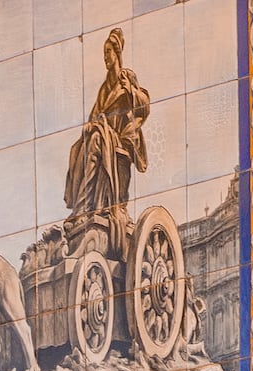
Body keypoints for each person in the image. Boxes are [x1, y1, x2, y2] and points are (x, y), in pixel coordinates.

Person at [64, 28, 153, 248]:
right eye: (104, 53)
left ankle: (84, 208)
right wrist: (91, 124)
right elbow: (95, 115)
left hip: (121, 140)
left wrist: (130, 91)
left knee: (95, 142)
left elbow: (145, 106)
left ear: (117, 53)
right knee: (79, 148)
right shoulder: (104, 88)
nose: (105, 57)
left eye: (108, 52)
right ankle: (83, 207)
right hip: (104, 136)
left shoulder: (126, 77)